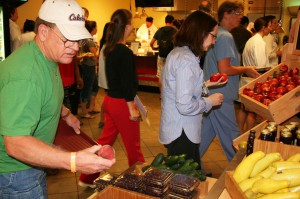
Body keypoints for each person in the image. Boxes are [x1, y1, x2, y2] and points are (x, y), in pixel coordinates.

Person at [0, 0, 115, 197]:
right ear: (43, 32)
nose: (75, 47)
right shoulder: (26, 75)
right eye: (67, 39)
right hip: (15, 173)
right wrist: (73, 161)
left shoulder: (46, 56)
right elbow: (16, 143)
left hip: (30, 166)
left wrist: (65, 113)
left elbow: (43, 93)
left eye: (78, 40)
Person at [79, 9, 145, 188]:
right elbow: (128, 83)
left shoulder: (109, 48)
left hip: (111, 101)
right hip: (123, 103)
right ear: (126, 26)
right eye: (131, 23)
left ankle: (87, 177)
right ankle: (141, 182)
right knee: (134, 147)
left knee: (105, 141)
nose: (132, 27)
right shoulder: (123, 51)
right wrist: (132, 106)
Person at [159, 10, 225, 169]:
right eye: (213, 36)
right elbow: (184, 105)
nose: (214, 41)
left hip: (177, 128)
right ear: (201, 33)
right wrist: (210, 101)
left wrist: (206, 85)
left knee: (182, 175)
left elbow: (181, 89)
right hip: (182, 132)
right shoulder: (187, 60)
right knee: (184, 179)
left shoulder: (179, 53)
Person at [200, 1, 259, 162]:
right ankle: (241, 170)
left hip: (212, 94)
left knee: (206, 132)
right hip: (220, 96)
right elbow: (224, 69)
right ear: (226, 14)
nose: (241, 17)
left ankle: (188, 165)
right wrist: (245, 69)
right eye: (238, 13)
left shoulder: (218, 34)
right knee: (232, 137)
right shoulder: (225, 36)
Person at [238, 17, 271, 133]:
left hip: (246, 80)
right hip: (254, 80)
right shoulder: (259, 42)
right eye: (269, 26)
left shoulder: (251, 40)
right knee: (252, 112)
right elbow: (261, 65)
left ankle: (240, 132)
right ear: (263, 28)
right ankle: (248, 135)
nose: (270, 29)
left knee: (243, 109)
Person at [77, 20, 99, 119]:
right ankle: (85, 111)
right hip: (88, 66)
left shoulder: (84, 39)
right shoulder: (89, 41)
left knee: (94, 86)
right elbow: (95, 57)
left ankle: (90, 108)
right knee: (87, 88)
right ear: (93, 29)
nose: (97, 29)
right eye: (96, 27)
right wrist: (99, 49)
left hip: (86, 65)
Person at [150, 14, 177, 93]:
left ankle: (162, 95)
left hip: (161, 56)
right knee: (171, 76)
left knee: (161, 77)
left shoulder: (160, 30)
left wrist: (153, 48)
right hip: (171, 57)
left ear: (165, 21)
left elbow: (151, 42)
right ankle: (170, 94)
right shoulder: (175, 31)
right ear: (172, 22)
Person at [98, 22, 110, 128]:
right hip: (108, 78)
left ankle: (103, 119)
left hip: (104, 77)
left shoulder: (103, 43)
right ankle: (103, 119)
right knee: (108, 99)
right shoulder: (108, 45)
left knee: (107, 98)